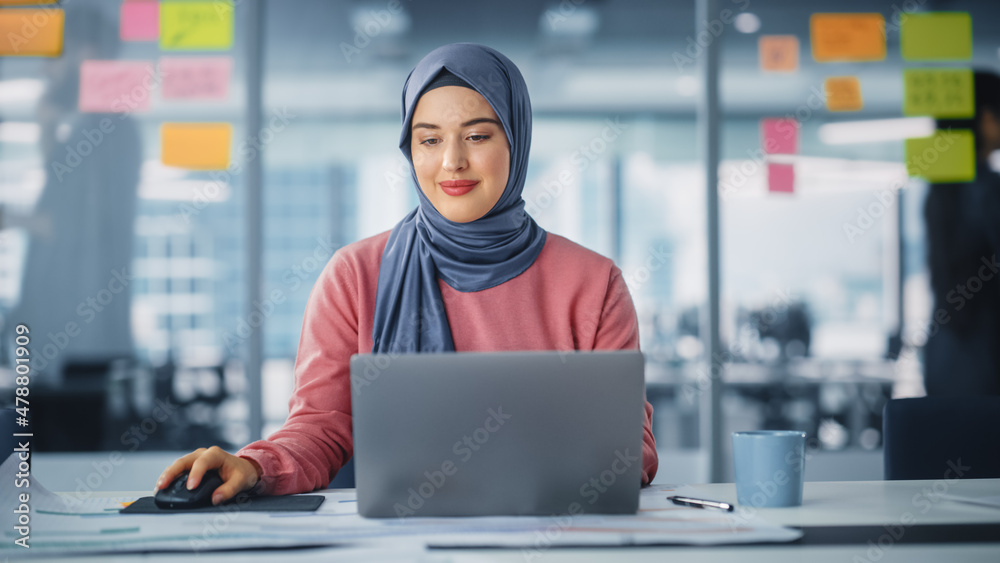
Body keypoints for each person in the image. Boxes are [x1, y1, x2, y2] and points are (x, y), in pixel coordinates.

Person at [155, 43, 659, 505]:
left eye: (478, 136)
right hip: (395, 542)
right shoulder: (355, 275)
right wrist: (253, 465)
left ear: (518, 140)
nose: (452, 162)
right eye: (429, 139)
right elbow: (320, 428)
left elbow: (630, 451)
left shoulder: (594, 283)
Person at [923, 70, 1000, 396]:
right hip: (982, 352)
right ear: (984, 118)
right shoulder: (984, 191)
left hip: (949, 351)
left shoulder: (941, 192)